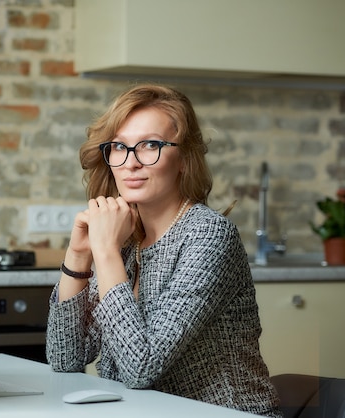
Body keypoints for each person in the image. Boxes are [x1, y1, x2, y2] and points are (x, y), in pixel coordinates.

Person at [45, 83, 282, 417]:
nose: (131, 163)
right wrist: (79, 255)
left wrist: (105, 251)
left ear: (184, 159)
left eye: (150, 145)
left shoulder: (208, 235)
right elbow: (64, 358)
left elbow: (141, 368)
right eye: (118, 147)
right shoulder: (125, 239)